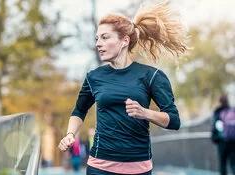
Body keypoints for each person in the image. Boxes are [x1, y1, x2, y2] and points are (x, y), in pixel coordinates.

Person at [58, 0, 189, 174]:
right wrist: (70, 135)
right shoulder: (94, 77)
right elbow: (79, 111)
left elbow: (174, 121)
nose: (98, 43)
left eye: (105, 37)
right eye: (97, 38)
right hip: (99, 167)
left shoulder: (151, 76)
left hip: (138, 168)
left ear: (124, 41)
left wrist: (145, 113)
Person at [211, 95, 235, 175]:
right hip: (233, 141)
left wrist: (214, 138)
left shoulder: (218, 112)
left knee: (222, 164)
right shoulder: (232, 110)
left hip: (222, 142)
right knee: (233, 164)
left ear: (220, 102)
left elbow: (214, 127)